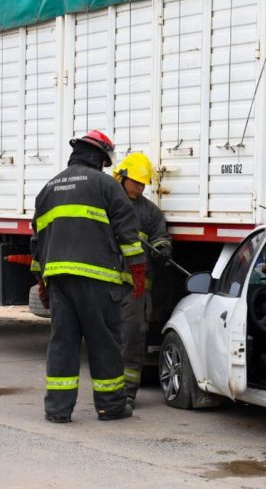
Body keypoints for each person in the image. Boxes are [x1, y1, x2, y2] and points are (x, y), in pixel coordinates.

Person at [32, 130, 145, 423]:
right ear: (98, 158)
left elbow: (38, 242)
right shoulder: (106, 185)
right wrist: (138, 270)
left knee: (62, 343)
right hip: (98, 279)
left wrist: (41, 281)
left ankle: (57, 410)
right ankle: (111, 406)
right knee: (104, 342)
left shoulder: (49, 188)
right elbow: (128, 234)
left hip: (58, 279)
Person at [111, 152, 172, 405]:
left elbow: (161, 236)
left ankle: (126, 394)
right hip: (106, 287)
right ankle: (107, 393)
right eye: (135, 182)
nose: (140, 187)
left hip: (136, 292)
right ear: (122, 177)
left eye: (143, 183)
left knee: (133, 340)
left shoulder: (150, 212)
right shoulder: (106, 205)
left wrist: (163, 249)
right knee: (106, 341)